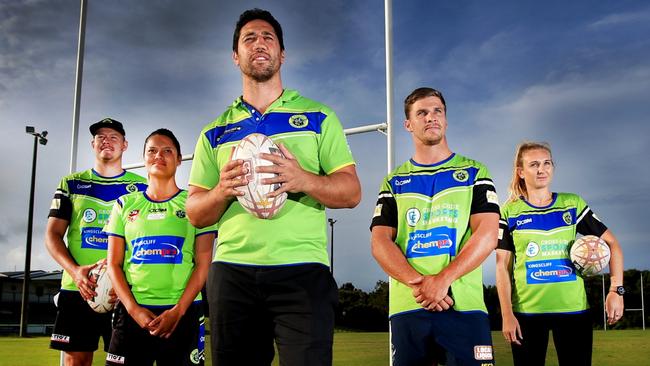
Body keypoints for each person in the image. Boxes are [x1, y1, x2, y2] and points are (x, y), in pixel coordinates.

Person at [186, 8, 361, 366]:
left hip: (302, 269)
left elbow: (351, 192)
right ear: (236, 57)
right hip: (232, 271)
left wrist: (303, 179)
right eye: (249, 38)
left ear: (282, 53)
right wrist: (221, 191)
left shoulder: (318, 117)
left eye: (268, 37)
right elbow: (194, 213)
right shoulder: (214, 131)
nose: (259, 43)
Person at [370, 87, 500, 366]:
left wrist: (443, 281)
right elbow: (380, 242)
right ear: (408, 124)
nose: (431, 117)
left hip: (464, 305)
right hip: (409, 306)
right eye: (422, 113)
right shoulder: (394, 182)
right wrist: (422, 285)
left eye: (437, 111)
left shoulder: (475, 172)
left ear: (446, 119)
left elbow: (488, 234)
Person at [495, 141, 624, 366]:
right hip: (527, 313)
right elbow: (501, 267)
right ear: (520, 172)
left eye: (547, 163)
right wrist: (507, 314)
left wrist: (616, 290)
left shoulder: (571, 204)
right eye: (533, 164)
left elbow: (613, 244)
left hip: (573, 312)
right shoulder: (508, 211)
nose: (541, 169)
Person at [104, 128, 217, 366]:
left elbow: (203, 263)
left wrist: (178, 310)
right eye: (152, 151)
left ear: (178, 159)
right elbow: (113, 264)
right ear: (144, 158)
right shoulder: (124, 204)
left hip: (182, 312)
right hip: (133, 311)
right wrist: (134, 309)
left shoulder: (195, 204)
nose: (159, 156)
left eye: (167, 151)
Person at [45, 118, 147, 366]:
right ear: (92, 144)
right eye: (101, 137)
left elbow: (142, 238)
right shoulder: (71, 184)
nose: (107, 141)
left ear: (125, 145)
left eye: (114, 137)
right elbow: (52, 235)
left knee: (127, 362)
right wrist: (75, 272)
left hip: (124, 291)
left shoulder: (141, 187)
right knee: (76, 361)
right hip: (78, 287)